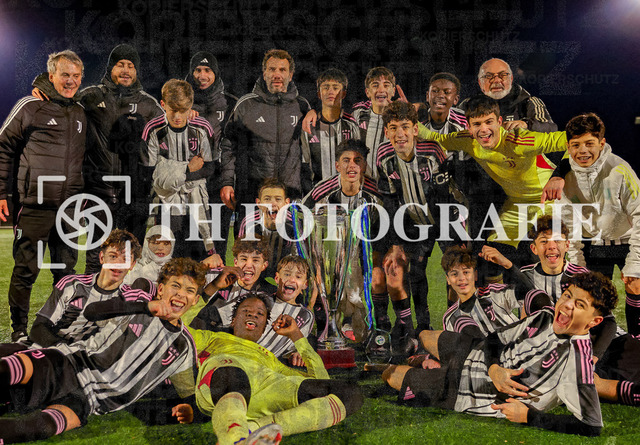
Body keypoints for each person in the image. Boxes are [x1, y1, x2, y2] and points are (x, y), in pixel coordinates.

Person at [383, 271, 618, 436]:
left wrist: (529, 417)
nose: (567, 305)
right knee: (426, 336)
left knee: (390, 374)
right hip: (476, 353)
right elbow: (495, 339)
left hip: (467, 390)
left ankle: (427, 367)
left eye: (580, 305)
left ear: (594, 321)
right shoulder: (544, 317)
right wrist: (494, 368)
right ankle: (428, 360)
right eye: (568, 296)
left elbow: (591, 425)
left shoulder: (578, 361)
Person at [0, 257, 206, 443]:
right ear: (160, 289)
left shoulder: (184, 347)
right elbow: (93, 311)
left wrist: (190, 411)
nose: (181, 294)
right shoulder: (139, 302)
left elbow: (190, 395)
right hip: (70, 364)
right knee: (9, 371)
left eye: (190, 290)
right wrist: (145, 307)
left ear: (195, 300)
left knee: (39, 427)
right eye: (175, 285)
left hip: (90, 401)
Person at [173, 293, 363, 445]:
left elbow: (321, 380)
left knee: (350, 393)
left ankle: (253, 430)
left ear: (264, 327)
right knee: (233, 371)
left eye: (260, 314)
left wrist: (296, 336)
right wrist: (209, 290)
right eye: (246, 310)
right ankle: (234, 438)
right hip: (224, 379)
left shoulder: (271, 359)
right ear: (233, 320)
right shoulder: (213, 338)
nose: (252, 314)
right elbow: (175, 328)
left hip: (266, 389)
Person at [0, 49, 86, 341]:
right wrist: (2, 193)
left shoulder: (79, 112)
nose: (71, 81)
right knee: (26, 269)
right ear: (52, 75)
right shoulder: (30, 105)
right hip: (34, 206)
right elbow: (3, 147)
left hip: (69, 209)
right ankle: (19, 330)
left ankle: (58, 326)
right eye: (65, 75)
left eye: (76, 76)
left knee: (66, 273)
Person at [417, 94, 567, 262]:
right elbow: (435, 138)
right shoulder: (468, 141)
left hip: (549, 201)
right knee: (492, 255)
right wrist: (409, 118)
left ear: (499, 121)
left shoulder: (519, 140)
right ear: (469, 127)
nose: (484, 129)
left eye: (489, 122)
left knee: (548, 254)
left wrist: (558, 176)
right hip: (515, 204)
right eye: (477, 124)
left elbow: (571, 139)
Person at [541, 113, 640, 335]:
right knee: (589, 297)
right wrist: (577, 264)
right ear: (568, 147)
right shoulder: (564, 179)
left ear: (602, 144)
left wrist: (635, 263)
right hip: (594, 244)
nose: (582, 150)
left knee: (636, 285)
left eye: (589, 143)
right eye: (576, 145)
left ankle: (636, 338)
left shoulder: (620, 169)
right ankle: (597, 342)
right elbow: (569, 226)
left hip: (626, 240)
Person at [377, 100, 461, 337]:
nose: (399, 134)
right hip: (413, 220)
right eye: (393, 128)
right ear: (386, 132)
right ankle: (421, 326)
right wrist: (396, 243)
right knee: (415, 271)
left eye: (405, 126)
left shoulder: (432, 152)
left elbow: (445, 196)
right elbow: (390, 202)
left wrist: (451, 236)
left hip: (445, 217)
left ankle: (454, 324)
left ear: (415, 129)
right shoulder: (384, 156)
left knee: (455, 267)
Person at [78, 44, 163, 271]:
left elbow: (169, 135)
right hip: (99, 188)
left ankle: (129, 292)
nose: (125, 70)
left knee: (131, 253)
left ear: (136, 71)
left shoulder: (148, 104)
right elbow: (63, 104)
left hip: (135, 191)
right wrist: (45, 89)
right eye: (120, 65)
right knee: (97, 253)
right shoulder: (91, 96)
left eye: (130, 66)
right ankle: (92, 292)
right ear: (110, 68)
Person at [219, 49, 310, 233]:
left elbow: (308, 153)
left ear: (290, 75)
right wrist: (227, 182)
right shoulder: (246, 105)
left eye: (282, 70)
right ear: (264, 73)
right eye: (272, 69)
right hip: (252, 192)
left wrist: (308, 189)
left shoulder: (302, 106)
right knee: (249, 247)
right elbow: (228, 145)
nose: (277, 74)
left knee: (289, 247)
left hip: (289, 193)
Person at [302, 139, 384, 344]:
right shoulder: (323, 190)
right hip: (330, 251)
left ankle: (371, 332)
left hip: (362, 250)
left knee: (358, 295)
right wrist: (311, 260)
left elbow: (383, 226)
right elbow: (301, 217)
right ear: (337, 165)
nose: (352, 166)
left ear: (364, 165)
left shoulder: (376, 191)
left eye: (357, 160)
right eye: (346, 160)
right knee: (330, 291)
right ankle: (326, 329)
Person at [140, 79, 217, 260]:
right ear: (163, 104)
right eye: (173, 110)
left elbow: (210, 167)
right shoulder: (152, 129)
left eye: (183, 110)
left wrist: (171, 172)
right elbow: (149, 172)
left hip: (196, 197)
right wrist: (187, 169)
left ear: (191, 106)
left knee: (199, 253)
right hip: (165, 198)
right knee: (168, 254)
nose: (177, 116)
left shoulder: (202, 127)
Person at [185, 50, 237, 256]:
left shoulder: (230, 103)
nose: (202, 75)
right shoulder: (179, 102)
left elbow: (231, 147)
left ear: (215, 73)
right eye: (197, 70)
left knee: (217, 244)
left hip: (217, 182)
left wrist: (228, 181)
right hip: (187, 183)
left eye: (207, 70)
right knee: (188, 244)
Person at [190, 236, 276, 330]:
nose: (248, 265)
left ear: (264, 265)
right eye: (244, 259)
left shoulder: (270, 295)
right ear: (235, 262)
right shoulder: (216, 277)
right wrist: (201, 266)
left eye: (255, 260)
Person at [459, 58, 557, 132]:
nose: (497, 80)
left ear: (511, 79)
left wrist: (526, 124)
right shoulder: (467, 105)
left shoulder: (529, 102)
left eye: (503, 75)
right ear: (480, 82)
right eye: (489, 76)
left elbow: (550, 128)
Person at [300, 68, 359, 191]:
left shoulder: (351, 125)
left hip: (346, 192)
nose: (330, 91)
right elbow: (305, 166)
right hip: (317, 193)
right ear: (319, 94)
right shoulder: (309, 126)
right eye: (326, 87)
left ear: (343, 93)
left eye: (335, 87)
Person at [238, 177, 295, 280]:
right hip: (258, 269)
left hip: (284, 271)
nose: (272, 204)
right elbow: (241, 256)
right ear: (258, 203)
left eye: (278, 199)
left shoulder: (294, 224)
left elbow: (300, 258)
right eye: (267, 199)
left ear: (286, 203)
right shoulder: (249, 222)